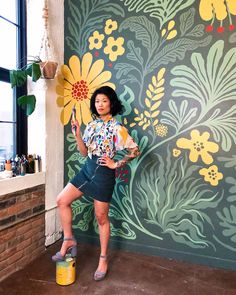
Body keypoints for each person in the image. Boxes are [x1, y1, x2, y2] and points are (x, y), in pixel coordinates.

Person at [52, 85, 140, 281]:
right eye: (97, 101)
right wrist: (77, 133)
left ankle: (103, 259)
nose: (100, 104)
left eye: (104, 101)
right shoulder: (91, 125)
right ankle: (69, 239)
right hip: (87, 170)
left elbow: (135, 150)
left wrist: (116, 163)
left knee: (101, 218)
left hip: (103, 176)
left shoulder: (118, 128)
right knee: (62, 200)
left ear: (111, 103)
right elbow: (84, 153)